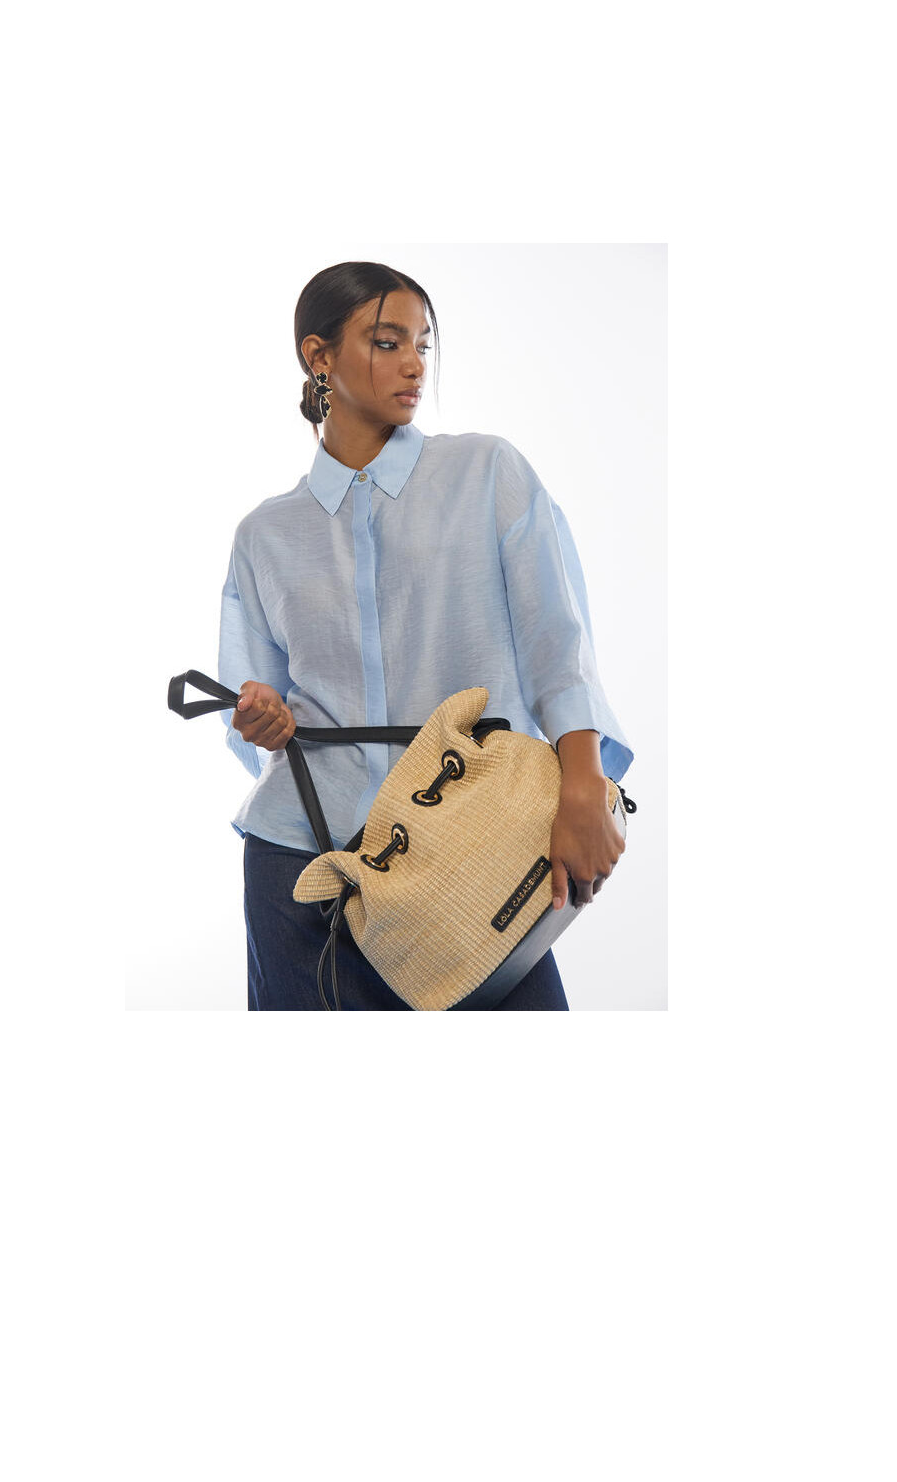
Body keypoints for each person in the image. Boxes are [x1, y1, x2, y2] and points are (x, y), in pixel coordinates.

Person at [218, 261, 634, 1010]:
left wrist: (583, 788)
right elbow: (257, 710)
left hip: (474, 861)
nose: (413, 364)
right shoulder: (264, 535)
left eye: (422, 344)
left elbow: (558, 644)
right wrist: (261, 716)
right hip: (303, 868)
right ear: (319, 356)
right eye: (387, 342)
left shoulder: (487, 472)